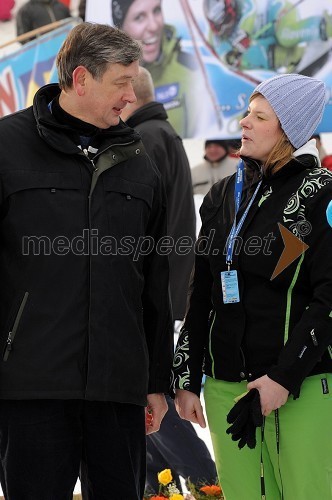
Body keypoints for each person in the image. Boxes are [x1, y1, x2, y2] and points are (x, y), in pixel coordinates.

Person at [0, 22, 173, 500]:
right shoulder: (7, 147)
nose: (129, 96)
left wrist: (155, 380)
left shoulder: (140, 163)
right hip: (32, 386)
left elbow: (152, 280)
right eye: (121, 83)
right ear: (81, 79)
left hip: (116, 389)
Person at [171, 73, 332, 499]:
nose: (243, 122)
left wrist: (283, 377)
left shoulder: (323, 196)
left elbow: (328, 300)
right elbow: (202, 286)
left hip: (300, 387)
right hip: (227, 388)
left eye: (259, 116)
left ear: (289, 132)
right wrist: (187, 375)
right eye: (247, 111)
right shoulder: (224, 194)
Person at [121, 66, 217, 494]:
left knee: (160, 413)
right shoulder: (163, 133)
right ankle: (162, 489)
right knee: (148, 421)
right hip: (169, 284)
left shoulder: (145, 139)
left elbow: (140, 222)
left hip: (156, 291)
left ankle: (207, 485)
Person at [111, 0, 208, 139]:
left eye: (156, 10)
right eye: (139, 17)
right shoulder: (105, 80)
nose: (153, 25)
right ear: (121, 28)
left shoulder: (191, 69)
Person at [204, 0, 332, 73]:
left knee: (285, 36)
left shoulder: (242, 3)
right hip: (266, 41)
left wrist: (244, 32)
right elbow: (224, 56)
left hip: (277, 15)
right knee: (251, 56)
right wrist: (232, 57)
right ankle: (298, 58)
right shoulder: (215, 37)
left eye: (227, 20)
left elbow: (250, 11)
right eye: (220, 26)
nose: (226, 28)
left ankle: (325, 27)